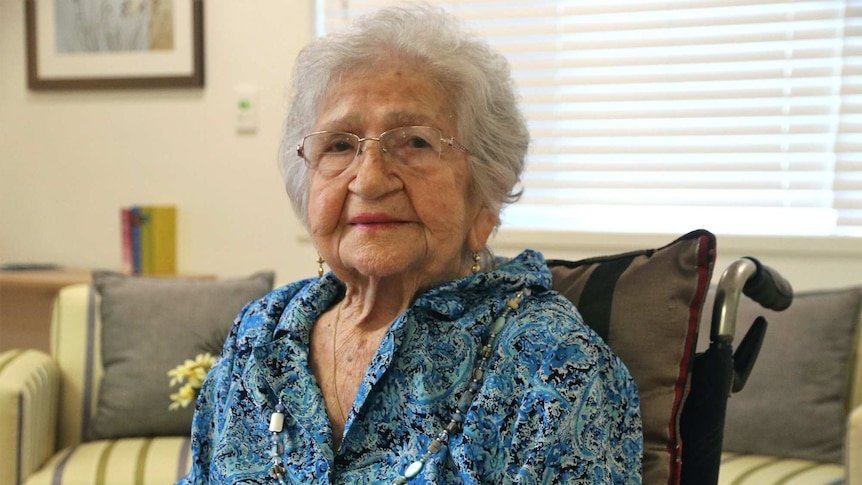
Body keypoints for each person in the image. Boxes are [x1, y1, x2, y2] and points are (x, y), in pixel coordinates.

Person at [179, 4, 642, 484]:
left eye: (415, 142)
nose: (370, 179)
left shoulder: (550, 364)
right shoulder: (261, 334)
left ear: (485, 192)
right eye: (339, 145)